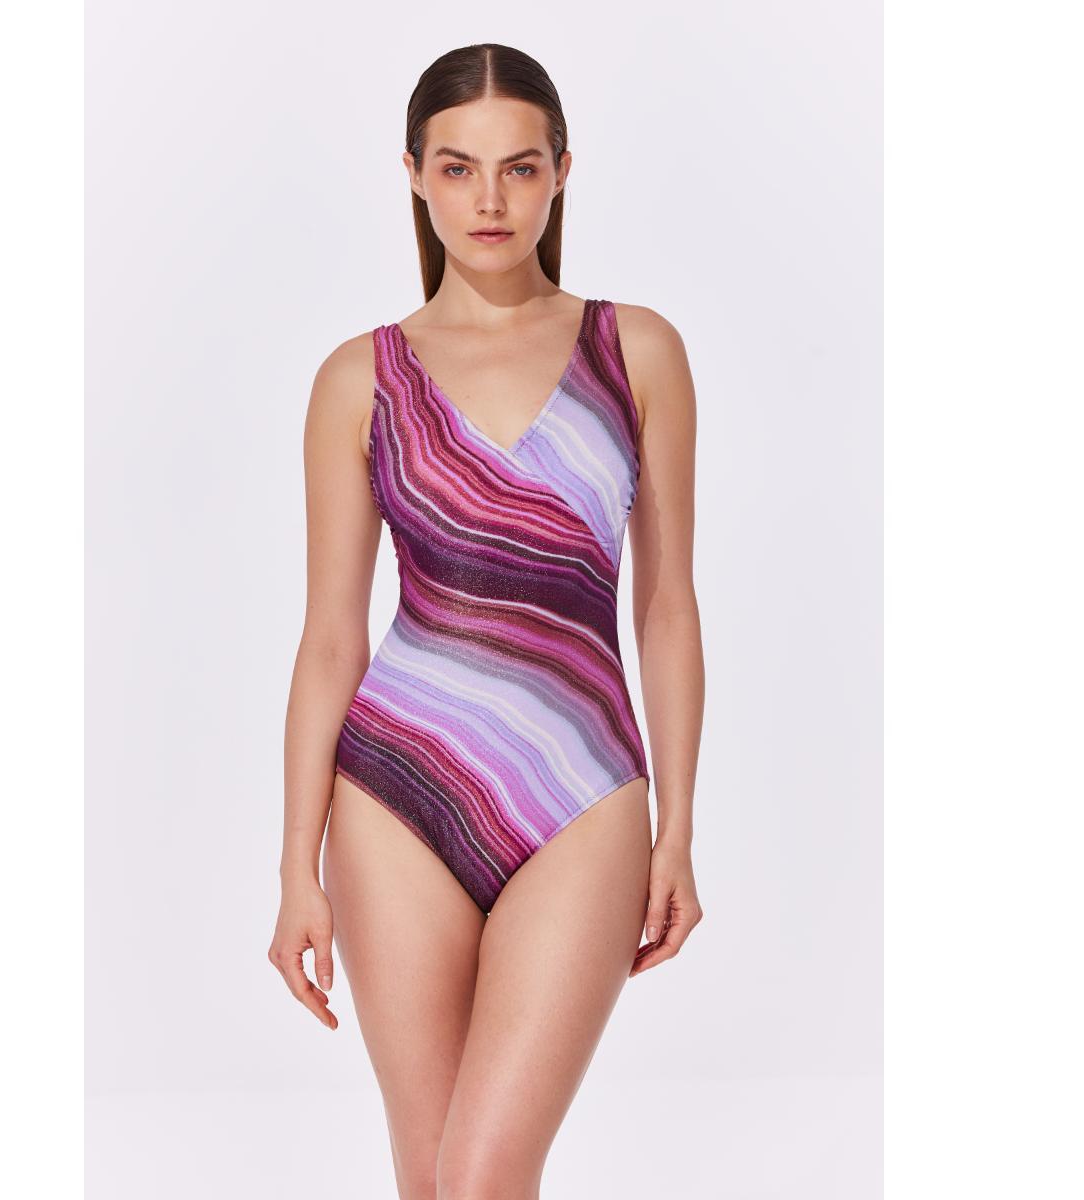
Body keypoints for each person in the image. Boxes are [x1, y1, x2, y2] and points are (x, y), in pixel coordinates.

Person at [269, 42, 704, 1199]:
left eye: (519, 168)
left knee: (484, 1172)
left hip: (583, 794)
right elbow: (330, 638)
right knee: (432, 1179)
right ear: (414, 175)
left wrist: (677, 828)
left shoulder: (637, 351)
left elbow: (666, 606)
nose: (490, 200)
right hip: (395, 793)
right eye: (458, 169)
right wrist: (296, 867)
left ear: (562, 171)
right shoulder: (360, 379)